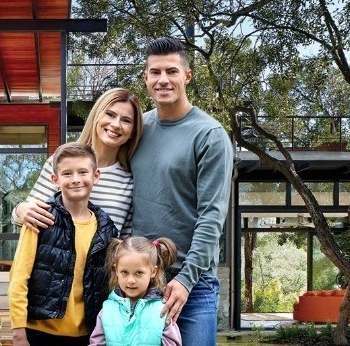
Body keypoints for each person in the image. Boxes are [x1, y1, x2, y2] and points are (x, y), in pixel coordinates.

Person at [130, 37, 234, 345]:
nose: (163, 80)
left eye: (172, 71)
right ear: (146, 78)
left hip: (193, 284)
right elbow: (89, 165)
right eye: (155, 72)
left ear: (187, 76)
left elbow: (212, 216)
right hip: (140, 279)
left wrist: (186, 281)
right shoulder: (137, 128)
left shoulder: (210, 135)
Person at [8, 142, 119, 346]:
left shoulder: (106, 228)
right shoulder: (40, 219)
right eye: (67, 174)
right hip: (40, 333)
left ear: (96, 176)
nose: (76, 179)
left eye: (82, 172)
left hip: (89, 335)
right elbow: (19, 277)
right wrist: (18, 331)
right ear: (55, 180)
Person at [11, 88, 143, 237]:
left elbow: (124, 243)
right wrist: (20, 210)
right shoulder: (61, 162)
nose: (116, 124)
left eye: (126, 120)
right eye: (110, 114)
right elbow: (23, 218)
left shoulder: (129, 181)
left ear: (132, 131)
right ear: (96, 117)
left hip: (104, 260)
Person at [89, 236, 182, 346]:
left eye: (139, 273)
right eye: (124, 272)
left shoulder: (162, 311)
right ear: (116, 271)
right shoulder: (107, 311)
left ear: (153, 271)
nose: (131, 280)